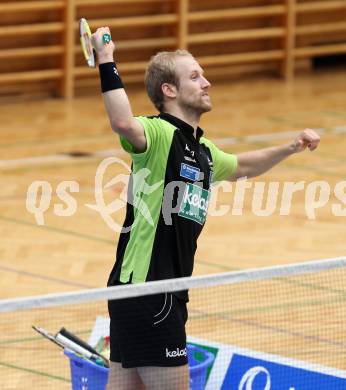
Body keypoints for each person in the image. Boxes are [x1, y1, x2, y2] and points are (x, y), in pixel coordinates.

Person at [92, 26, 320, 390]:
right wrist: (106, 60)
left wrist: (290, 147)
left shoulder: (203, 152)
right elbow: (122, 122)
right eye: (195, 76)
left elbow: (243, 166)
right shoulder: (159, 135)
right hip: (150, 290)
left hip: (152, 293)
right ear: (169, 91)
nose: (207, 82)